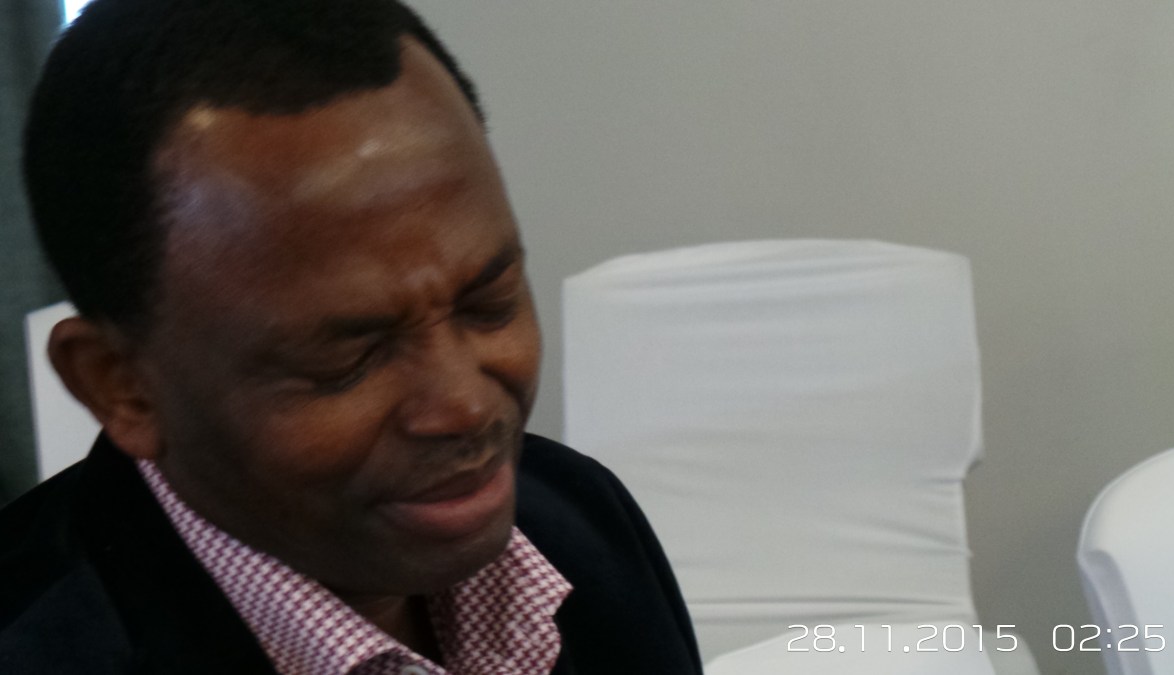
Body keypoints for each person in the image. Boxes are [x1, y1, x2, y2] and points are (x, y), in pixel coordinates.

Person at [0, 0, 703, 673]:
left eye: (488, 305)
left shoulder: (577, 520)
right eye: (348, 358)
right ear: (121, 386)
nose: (464, 406)